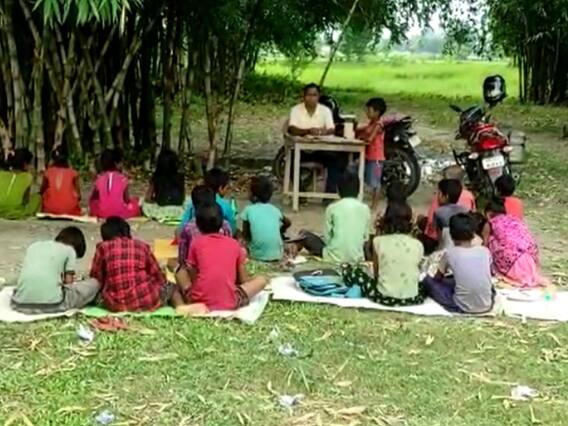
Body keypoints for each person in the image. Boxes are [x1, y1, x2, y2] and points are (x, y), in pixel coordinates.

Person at [173, 204, 267, 311]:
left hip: (199, 301)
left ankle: (189, 304)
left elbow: (193, 275)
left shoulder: (196, 243)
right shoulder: (234, 244)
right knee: (262, 280)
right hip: (230, 302)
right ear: (222, 223)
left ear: (197, 225)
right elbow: (243, 279)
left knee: (180, 272)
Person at [343, 202, 425, 306]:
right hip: (412, 298)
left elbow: (377, 275)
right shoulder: (418, 245)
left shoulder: (378, 241)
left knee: (349, 269)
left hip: (384, 297)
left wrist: (378, 229)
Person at [90, 217, 173, 311]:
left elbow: (96, 278)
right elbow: (158, 276)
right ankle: (180, 306)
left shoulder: (103, 247)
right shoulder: (141, 246)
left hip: (116, 304)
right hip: (146, 300)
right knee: (171, 286)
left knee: (93, 294)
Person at [11, 227, 100, 313]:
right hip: (53, 305)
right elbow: (69, 284)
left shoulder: (34, 246)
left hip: (19, 304)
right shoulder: (70, 250)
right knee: (94, 283)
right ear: (76, 247)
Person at [422, 213, 494, 314]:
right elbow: (486, 274)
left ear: (451, 234)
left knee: (428, 281)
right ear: (473, 233)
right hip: (487, 304)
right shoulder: (484, 251)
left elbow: (438, 278)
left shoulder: (450, 253)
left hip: (461, 305)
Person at [299, 171, 371, 263]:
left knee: (304, 234)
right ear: (358, 189)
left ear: (338, 190)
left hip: (333, 257)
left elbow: (327, 238)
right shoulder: (365, 209)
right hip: (356, 258)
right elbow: (365, 238)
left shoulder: (332, 208)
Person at [288, 83, 346, 194]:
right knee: (291, 160)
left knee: (338, 160)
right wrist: (308, 131)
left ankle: (329, 193)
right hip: (301, 151)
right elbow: (292, 129)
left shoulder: (325, 111)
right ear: (303, 96)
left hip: (321, 150)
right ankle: (300, 193)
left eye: (314, 95)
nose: (311, 98)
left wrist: (323, 132)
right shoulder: (296, 110)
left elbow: (331, 129)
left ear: (318, 96)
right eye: (308, 95)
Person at [485, 197, 547, 287]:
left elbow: (485, 245)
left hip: (514, 262)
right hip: (531, 258)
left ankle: (499, 270)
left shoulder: (491, 223)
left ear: (488, 214)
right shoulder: (515, 220)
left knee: (491, 240)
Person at [420, 166, 476, 254]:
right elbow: (473, 213)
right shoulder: (469, 196)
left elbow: (431, 225)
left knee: (421, 220)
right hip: (465, 237)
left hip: (442, 242)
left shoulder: (440, 206)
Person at [178, 185, 232, 265]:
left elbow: (182, 256)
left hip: (196, 267)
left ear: (194, 204)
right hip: (223, 265)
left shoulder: (189, 227)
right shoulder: (225, 225)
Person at [241, 176, 291, 262]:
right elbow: (288, 222)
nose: (247, 193)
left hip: (257, 255)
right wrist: (281, 230)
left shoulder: (248, 210)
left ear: (254, 196)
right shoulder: (275, 209)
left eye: (248, 191)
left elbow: (246, 236)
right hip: (278, 254)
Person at [178, 167, 237, 235]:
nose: (227, 191)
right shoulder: (226, 205)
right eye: (227, 188)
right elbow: (232, 230)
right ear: (221, 188)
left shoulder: (194, 202)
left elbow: (182, 227)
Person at [89, 149, 140, 219]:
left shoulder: (99, 179)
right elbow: (127, 199)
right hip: (120, 213)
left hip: (102, 213)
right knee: (135, 203)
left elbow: (93, 198)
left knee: (93, 203)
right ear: (116, 163)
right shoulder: (123, 179)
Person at [356, 97, 387, 211]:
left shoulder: (378, 125)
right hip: (369, 155)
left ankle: (374, 206)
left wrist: (362, 138)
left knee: (375, 183)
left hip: (376, 157)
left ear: (377, 112)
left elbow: (370, 139)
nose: (367, 113)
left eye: (369, 110)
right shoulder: (371, 123)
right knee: (367, 178)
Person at [142, 149, 188, 223]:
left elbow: (148, 198)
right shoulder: (180, 177)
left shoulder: (156, 177)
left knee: (143, 204)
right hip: (178, 206)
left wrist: (154, 200)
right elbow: (183, 196)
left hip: (162, 205)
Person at [0, 148, 41, 219]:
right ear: (25, 164)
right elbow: (28, 197)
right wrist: (34, 176)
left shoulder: (1, 174)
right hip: (16, 211)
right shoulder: (28, 177)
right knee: (38, 197)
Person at [40, 147, 82, 216]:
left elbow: (41, 192)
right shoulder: (73, 173)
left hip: (49, 210)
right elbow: (79, 196)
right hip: (70, 211)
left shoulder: (47, 173)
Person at [432, 179, 470, 250]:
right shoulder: (466, 210)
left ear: (446, 196)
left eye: (439, 193)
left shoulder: (438, 212)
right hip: (465, 247)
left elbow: (438, 236)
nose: (437, 196)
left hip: (447, 247)